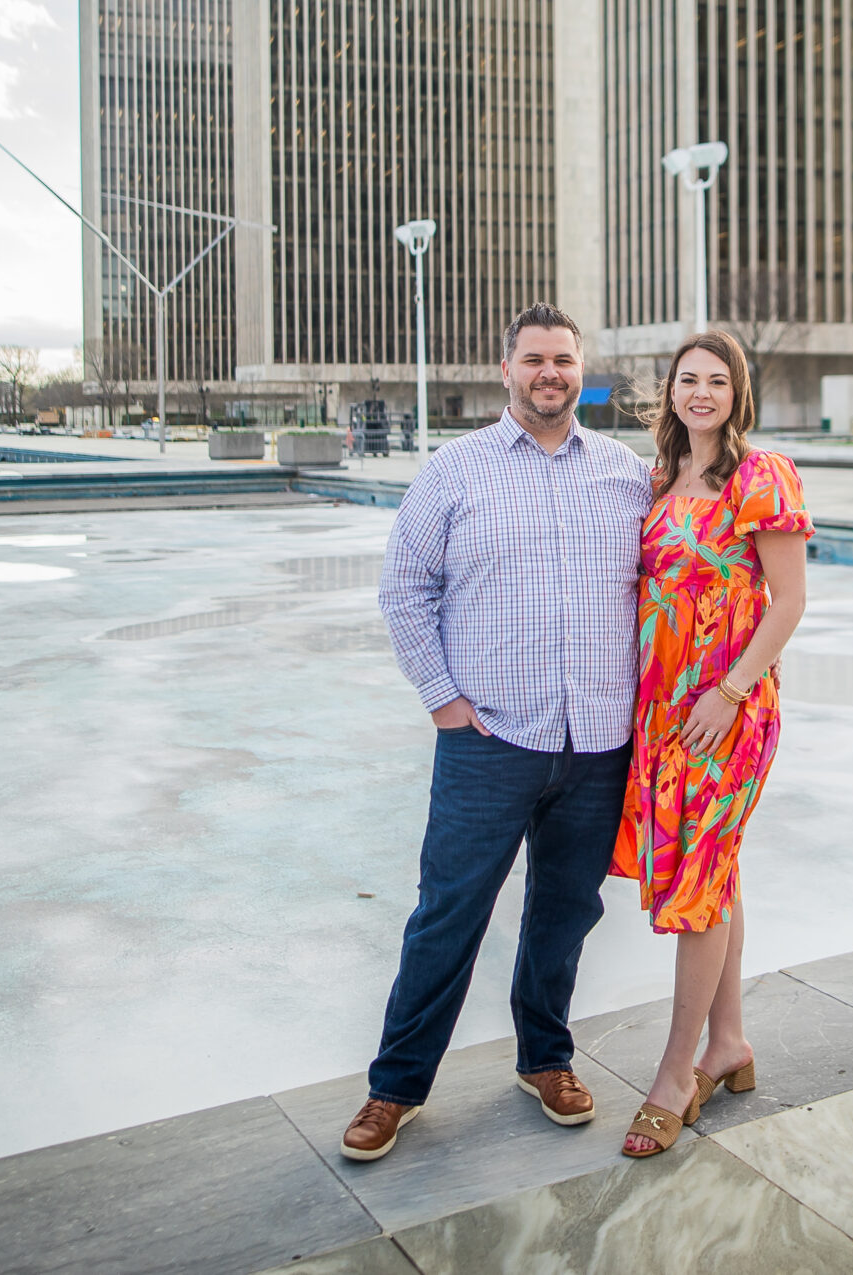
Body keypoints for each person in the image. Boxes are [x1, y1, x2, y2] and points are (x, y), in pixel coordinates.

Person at [340, 304, 653, 1163]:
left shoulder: (626, 473)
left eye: (563, 360)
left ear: (579, 369)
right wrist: (444, 701)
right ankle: (395, 1086)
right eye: (534, 360)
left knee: (564, 913)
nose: (549, 373)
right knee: (448, 913)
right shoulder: (455, 472)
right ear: (505, 368)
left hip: (597, 743)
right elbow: (405, 590)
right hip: (488, 739)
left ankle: (544, 1059)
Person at [612, 330, 810, 1158]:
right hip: (664, 713)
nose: (700, 393)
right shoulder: (660, 478)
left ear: (738, 394)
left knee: (698, 877)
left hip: (727, 713)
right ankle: (729, 1044)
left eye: (716, 381)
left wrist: (728, 693)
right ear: (670, 392)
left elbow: (789, 602)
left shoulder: (761, 476)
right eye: (687, 379)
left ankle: (673, 1072)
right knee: (712, 870)